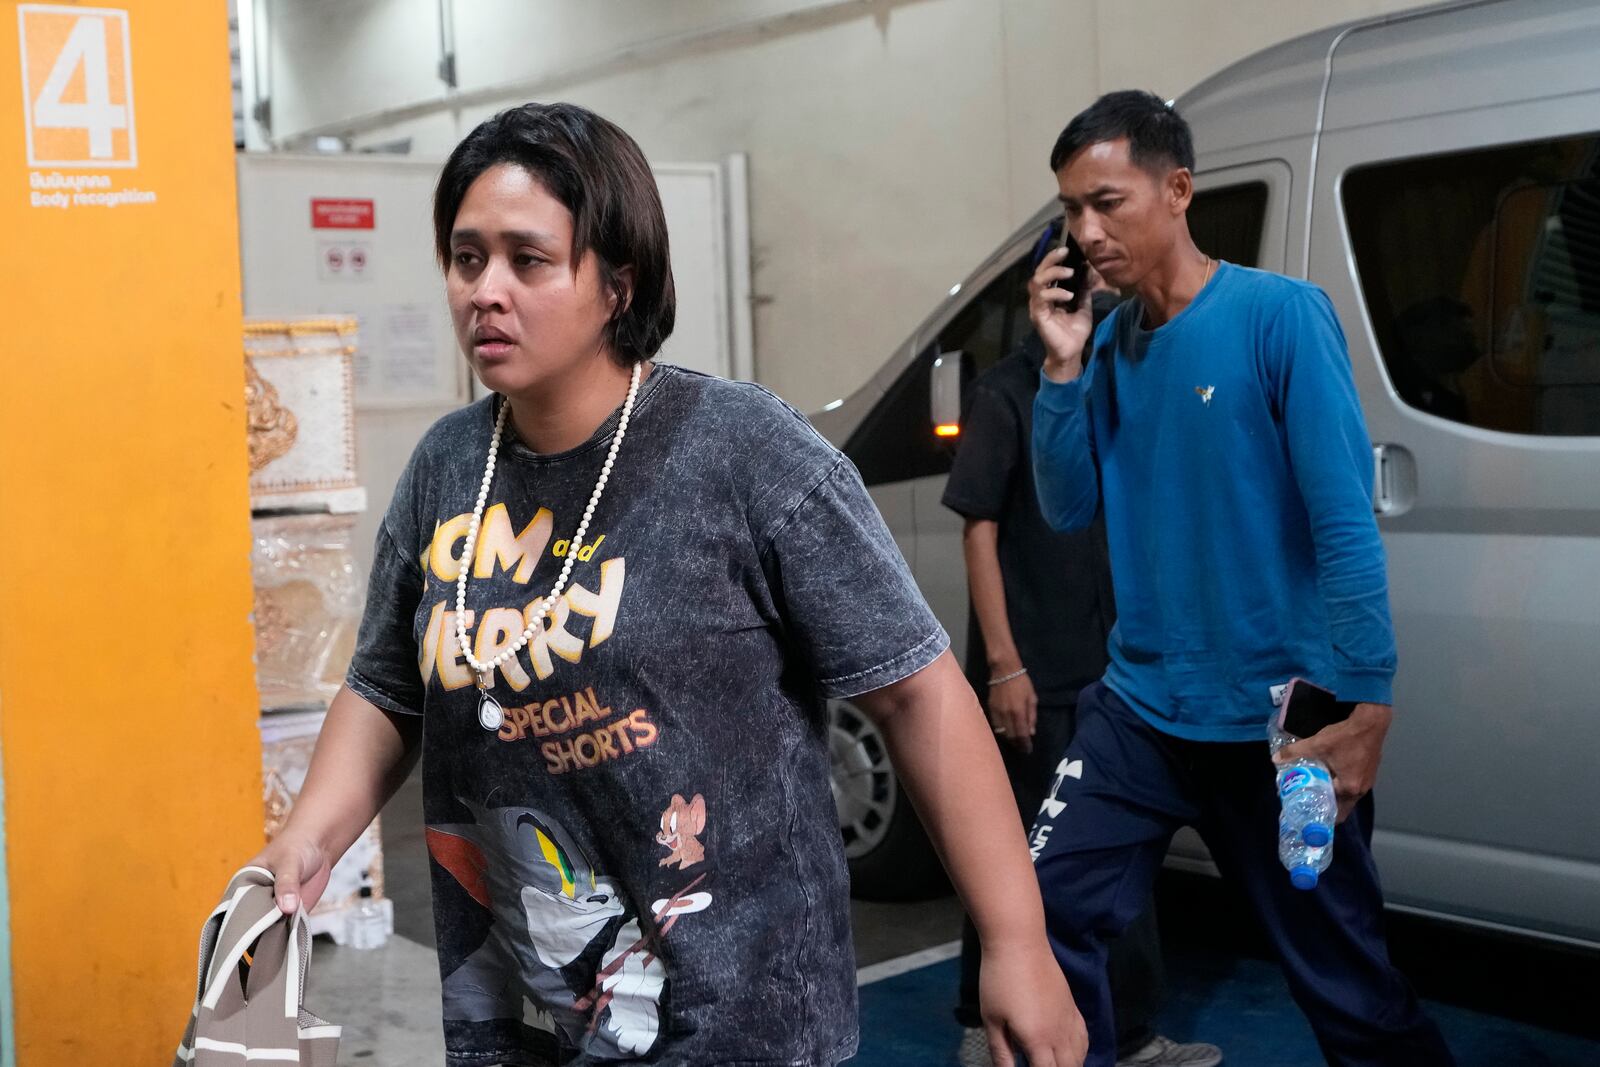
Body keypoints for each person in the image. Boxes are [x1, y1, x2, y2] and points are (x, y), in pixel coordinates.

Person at [243, 102, 1085, 1067]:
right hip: (527, 1017)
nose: (487, 291)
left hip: (738, 1022)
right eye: (467, 257)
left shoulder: (743, 452)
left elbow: (915, 691)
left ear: (617, 283)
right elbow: (387, 688)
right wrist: (307, 839)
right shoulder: (448, 467)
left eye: (529, 259)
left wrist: (1018, 943)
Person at [1026, 90, 1456, 1067]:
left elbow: (1344, 523)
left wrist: (1368, 702)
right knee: (1038, 918)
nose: (1086, 232)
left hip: (1283, 720)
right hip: (1140, 707)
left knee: (1343, 977)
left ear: (1177, 189)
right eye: (1070, 211)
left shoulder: (1279, 318)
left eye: (1106, 201)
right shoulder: (1107, 349)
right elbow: (1062, 507)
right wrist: (1058, 370)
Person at [942, 232, 1220, 1067]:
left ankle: (1116, 1031)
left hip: (1112, 663)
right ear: (1046, 282)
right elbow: (980, 534)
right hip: (1039, 665)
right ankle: (986, 1021)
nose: (1098, 279)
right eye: (1079, 267)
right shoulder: (1006, 392)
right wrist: (1004, 665)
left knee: (1100, 862)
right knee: (1021, 853)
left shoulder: (1121, 376)